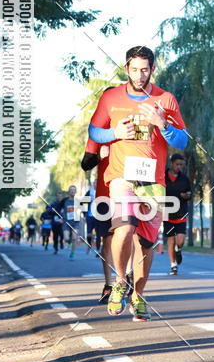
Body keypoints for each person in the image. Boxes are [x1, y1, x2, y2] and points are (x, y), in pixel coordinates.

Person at [88, 45, 188, 320]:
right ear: (126, 69)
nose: (139, 75)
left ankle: (139, 296)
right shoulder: (111, 97)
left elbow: (183, 140)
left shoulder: (166, 99)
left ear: (152, 69)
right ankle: (121, 281)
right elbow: (94, 131)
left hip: (153, 182)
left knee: (145, 244)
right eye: (134, 69)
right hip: (121, 176)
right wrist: (115, 132)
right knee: (124, 226)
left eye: (145, 70)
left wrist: (162, 124)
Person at [82, 139, 116, 303]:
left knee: (130, 237)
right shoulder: (100, 134)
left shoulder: (137, 130)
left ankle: (127, 279)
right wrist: (98, 157)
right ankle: (109, 285)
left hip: (130, 195)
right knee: (107, 242)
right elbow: (85, 164)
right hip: (105, 197)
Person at [164, 153, 191, 275]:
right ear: (171, 163)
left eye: (181, 165)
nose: (179, 167)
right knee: (171, 240)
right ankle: (173, 265)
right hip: (167, 213)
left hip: (181, 213)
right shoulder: (163, 176)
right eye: (177, 164)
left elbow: (190, 193)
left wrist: (186, 195)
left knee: (180, 240)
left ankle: (178, 249)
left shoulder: (184, 178)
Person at [61, 185, 79, 259]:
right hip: (66, 222)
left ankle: (72, 252)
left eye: (74, 190)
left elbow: (83, 209)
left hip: (75, 222)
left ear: (76, 191)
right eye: (71, 189)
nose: (72, 191)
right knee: (66, 238)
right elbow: (59, 208)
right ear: (69, 191)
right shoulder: (65, 201)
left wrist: (84, 216)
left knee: (74, 238)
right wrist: (60, 217)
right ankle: (68, 242)